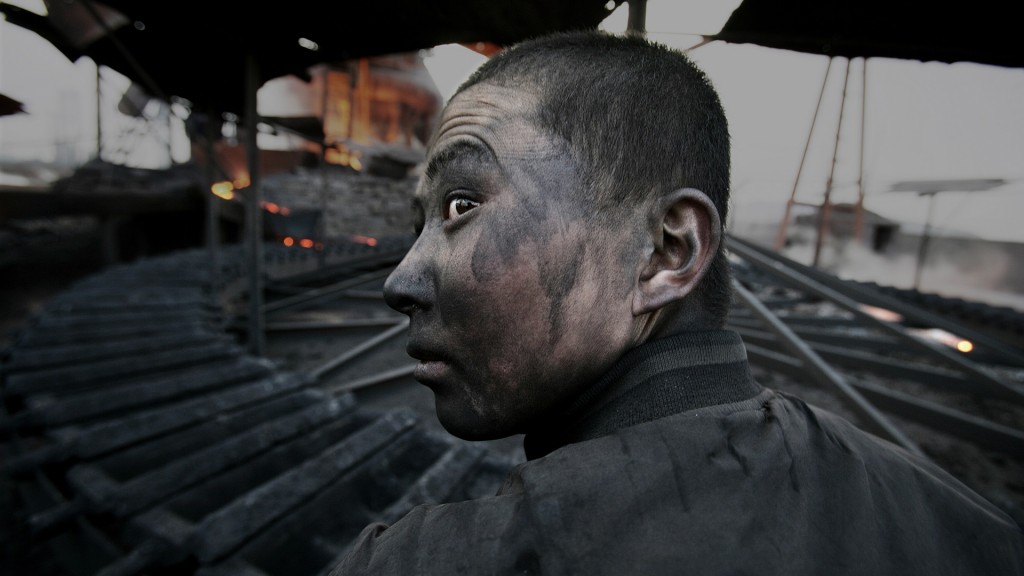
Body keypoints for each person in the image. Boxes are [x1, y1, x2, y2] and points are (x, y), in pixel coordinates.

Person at [331, 30, 1024, 575]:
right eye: (419, 221)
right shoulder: (959, 521)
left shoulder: (427, 560)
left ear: (666, 253)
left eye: (461, 204)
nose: (403, 279)